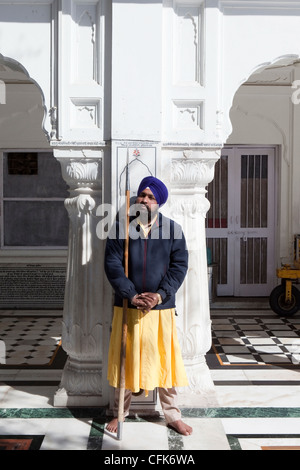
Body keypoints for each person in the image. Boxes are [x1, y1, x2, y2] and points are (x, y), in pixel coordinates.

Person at [104, 176, 192, 436]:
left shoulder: (173, 230)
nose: (143, 200)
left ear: (159, 203)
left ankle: (173, 415)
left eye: (150, 197)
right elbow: (112, 266)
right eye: (142, 195)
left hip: (160, 309)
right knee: (125, 360)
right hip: (128, 306)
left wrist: (159, 295)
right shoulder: (122, 229)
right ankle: (120, 413)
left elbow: (179, 267)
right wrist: (131, 295)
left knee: (165, 361)